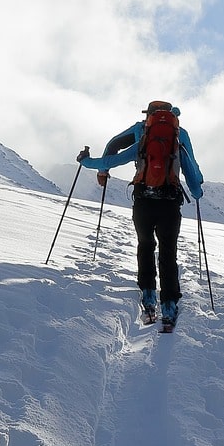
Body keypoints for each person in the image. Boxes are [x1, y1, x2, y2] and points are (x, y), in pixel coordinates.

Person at [76, 100, 204, 326]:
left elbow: (113, 151)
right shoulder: (179, 135)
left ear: (150, 115)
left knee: (145, 245)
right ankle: (169, 305)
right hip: (170, 203)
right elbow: (190, 166)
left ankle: (148, 296)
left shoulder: (141, 133)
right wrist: (196, 191)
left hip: (144, 201)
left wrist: (90, 164)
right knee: (168, 252)